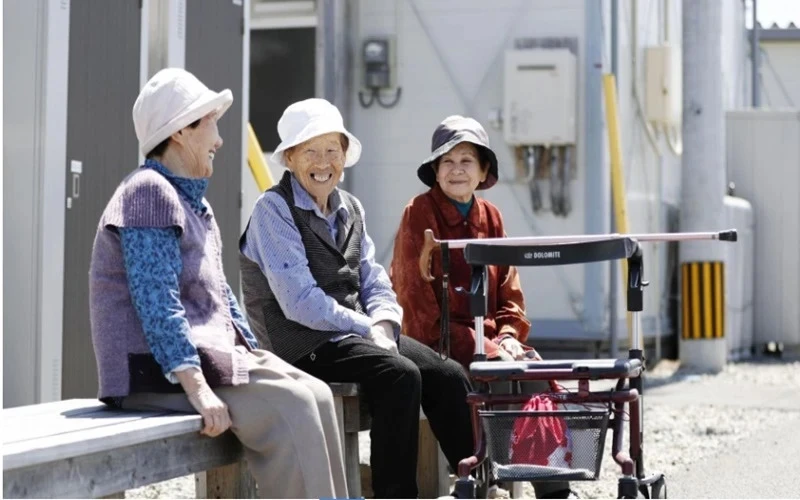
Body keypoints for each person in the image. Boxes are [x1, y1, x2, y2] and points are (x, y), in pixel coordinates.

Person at [89, 68, 348, 500]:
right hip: (152, 373)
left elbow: (220, 294)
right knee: (295, 408)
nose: (220, 140)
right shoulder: (148, 194)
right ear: (180, 132)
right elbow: (159, 306)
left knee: (318, 393)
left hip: (200, 359)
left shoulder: (194, 203)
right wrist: (199, 391)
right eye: (211, 123)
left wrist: (252, 351)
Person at [238, 98, 474, 499]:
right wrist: (369, 327)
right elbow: (300, 303)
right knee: (399, 375)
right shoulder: (272, 210)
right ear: (290, 158)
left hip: (354, 335)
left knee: (449, 376)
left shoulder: (350, 207)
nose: (323, 161)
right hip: (297, 345)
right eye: (310, 151)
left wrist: (384, 320)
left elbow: (374, 279)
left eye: (333, 150)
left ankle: (478, 483)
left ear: (345, 156)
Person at [389, 115, 577, 499]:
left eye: (466, 161)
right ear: (435, 171)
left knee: (535, 369)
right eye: (447, 161)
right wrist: (483, 344)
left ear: (483, 171)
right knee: (498, 368)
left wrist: (507, 336)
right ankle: (489, 477)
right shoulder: (418, 212)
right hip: (436, 339)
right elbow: (413, 297)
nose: (456, 170)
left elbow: (511, 293)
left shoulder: (492, 217)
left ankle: (553, 489)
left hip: (491, 338)